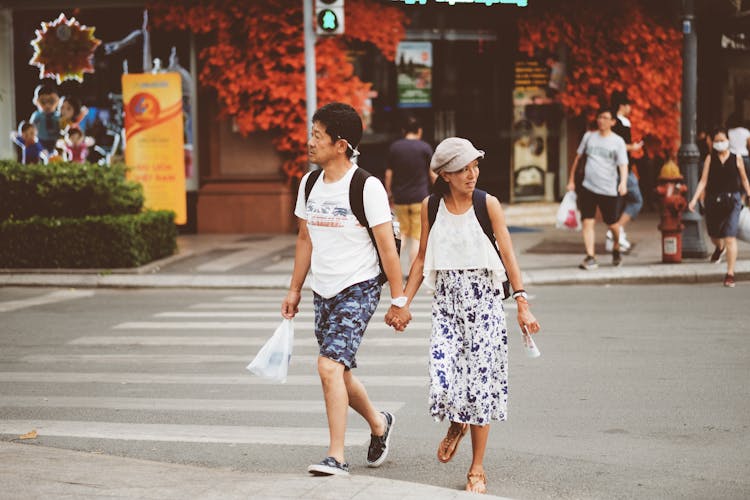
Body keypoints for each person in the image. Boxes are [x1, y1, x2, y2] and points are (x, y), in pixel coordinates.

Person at [387, 137, 540, 494]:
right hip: (446, 306)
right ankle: (457, 420)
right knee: (443, 380)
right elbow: (422, 257)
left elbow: (508, 253)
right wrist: (403, 301)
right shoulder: (432, 206)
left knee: (480, 390)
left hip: (485, 305)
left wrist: (521, 302)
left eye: (474, 166)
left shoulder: (488, 204)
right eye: (462, 169)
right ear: (444, 175)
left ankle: (477, 467)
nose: (472, 174)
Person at [281, 102, 411, 476]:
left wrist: (398, 300)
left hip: (359, 286)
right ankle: (379, 423)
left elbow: (387, 247)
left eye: (317, 136)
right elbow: (304, 238)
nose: (310, 142)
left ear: (340, 144)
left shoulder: (366, 186)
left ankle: (336, 455)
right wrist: (294, 290)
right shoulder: (309, 183)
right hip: (323, 289)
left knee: (327, 366)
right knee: (339, 371)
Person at [566, 107, 628, 270]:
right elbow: (578, 159)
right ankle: (590, 256)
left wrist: (623, 182)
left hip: (608, 188)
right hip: (588, 187)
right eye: (600, 117)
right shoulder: (589, 137)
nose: (601, 120)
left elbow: (623, 165)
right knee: (587, 222)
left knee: (612, 224)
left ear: (613, 122)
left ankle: (616, 246)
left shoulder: (618, 142)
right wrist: (571, 179)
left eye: (606, 118)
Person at [688, 127, 750, 288]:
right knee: (714, 234)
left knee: (730, 236)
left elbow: (744, 179)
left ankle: (730, 274)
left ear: (728, 141)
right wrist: (694, 199)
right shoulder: (710, 159)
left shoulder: (736, 158)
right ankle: (719, 247)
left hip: (732, 201)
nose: (720, 144)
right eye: (716, 141)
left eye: (722, 140)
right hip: (713, 201)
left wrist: (749, 194)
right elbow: (703, 181)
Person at [384, 115, 435, 271]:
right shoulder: (425, 148)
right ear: (419, 131)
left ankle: (394, 269)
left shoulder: (395, 148)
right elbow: (432, 173)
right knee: (417, 237)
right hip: (420, 198)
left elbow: (388, 174)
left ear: (403, 131)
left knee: (403, 235)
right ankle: (413, 273)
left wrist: (389, 192)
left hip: (400, 198)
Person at [607, 91, 644, 252]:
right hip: (622, 169)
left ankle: (616, 234)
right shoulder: (621, 123)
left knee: (617, 203)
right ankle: (616, 230)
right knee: (636, 200)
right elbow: (619, 146)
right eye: (628, 105)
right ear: (623, 106)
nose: (630, 108)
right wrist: (633, 147)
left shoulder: (613, 122)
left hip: (614, 169)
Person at [29, 83, 60, 154]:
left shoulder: (57, 116)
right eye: (43, 102)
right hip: (40, 140)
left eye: (51, 102)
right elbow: (31, 127)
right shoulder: (37, 115)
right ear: (37, 101)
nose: (47, 106)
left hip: (55, 140)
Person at [727, 112, 750, 191]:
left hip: (733, 156)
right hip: (744, 156)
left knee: (735, 179)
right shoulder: (746, 132)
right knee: (746, 178)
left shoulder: (729, 132)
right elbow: (749, 145)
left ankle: (737, 195)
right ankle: (744, 197)